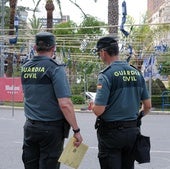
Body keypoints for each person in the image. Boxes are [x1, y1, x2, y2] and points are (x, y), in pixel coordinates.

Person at [21, 31, 83, 169]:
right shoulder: (55, 68)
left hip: (30, 127)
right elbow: (65, 104)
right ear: (53, 47)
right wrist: (76, 130)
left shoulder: (25, 68)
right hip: (50, 130)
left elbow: (26, 94)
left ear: (35, 48)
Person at [90, 36, 152, 169]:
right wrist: (138, 116)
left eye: (99, 53)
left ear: (103, 52)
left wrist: (93, 106)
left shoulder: (106, 75)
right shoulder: (136, 73)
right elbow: (148, 106)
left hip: (111, 134)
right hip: (132, 132)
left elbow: (99, 110)